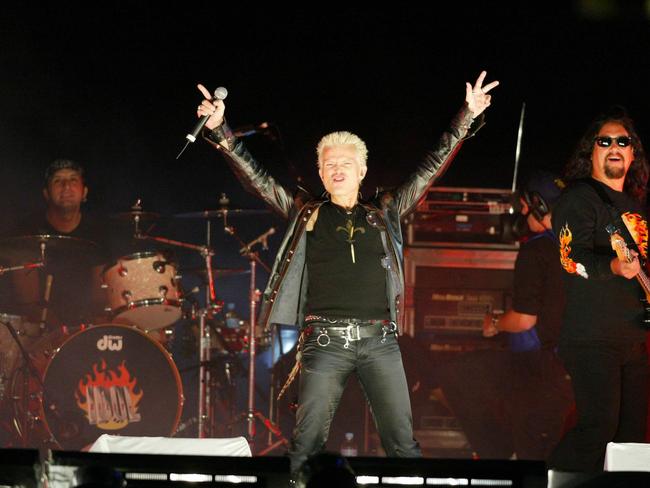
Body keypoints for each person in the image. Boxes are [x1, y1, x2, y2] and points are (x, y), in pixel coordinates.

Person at [194, 71, 498, 474]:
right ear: (320, 173)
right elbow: (259, 181)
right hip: (325, 342)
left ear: (362, 170)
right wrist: (223, 133)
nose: (337, 169)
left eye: (346, 163)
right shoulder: (308, 213)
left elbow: (429, 170)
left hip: (381, 343)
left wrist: (466, 117)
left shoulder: (385, 210)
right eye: (329, 164)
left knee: (403, 444)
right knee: (305, 446)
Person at [435, 171, 574, 461]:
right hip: (564, 370)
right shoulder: (575, 250)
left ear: (539, 206)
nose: (522, 212)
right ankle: (498, 455)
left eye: (525, 206)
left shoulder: (535, 250)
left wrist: (495, 323)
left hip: (537, 370)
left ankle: (496, 455)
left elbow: (524, 320)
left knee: (457, 374)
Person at [548, 107, 649, 472]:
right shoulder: (580, 199)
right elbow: (569, 258)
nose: (614, 147)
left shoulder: (635, 208)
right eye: (604, 141)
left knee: (632, 441)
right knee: (597, 429)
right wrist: (613, 265)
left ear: (633, 153)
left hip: (634, 341)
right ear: (590, 152)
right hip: (592, 338)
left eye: (623, 141)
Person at [5, 159, 110, 327]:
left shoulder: (98, 235)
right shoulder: (27, 234)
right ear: (46, 193)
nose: (66, 186)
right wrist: (58, 333)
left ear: (84, 193)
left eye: (73, 180)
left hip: (85, 330)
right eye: (58, 180)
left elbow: (100, 299)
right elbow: (29, 303)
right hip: (40, 331)